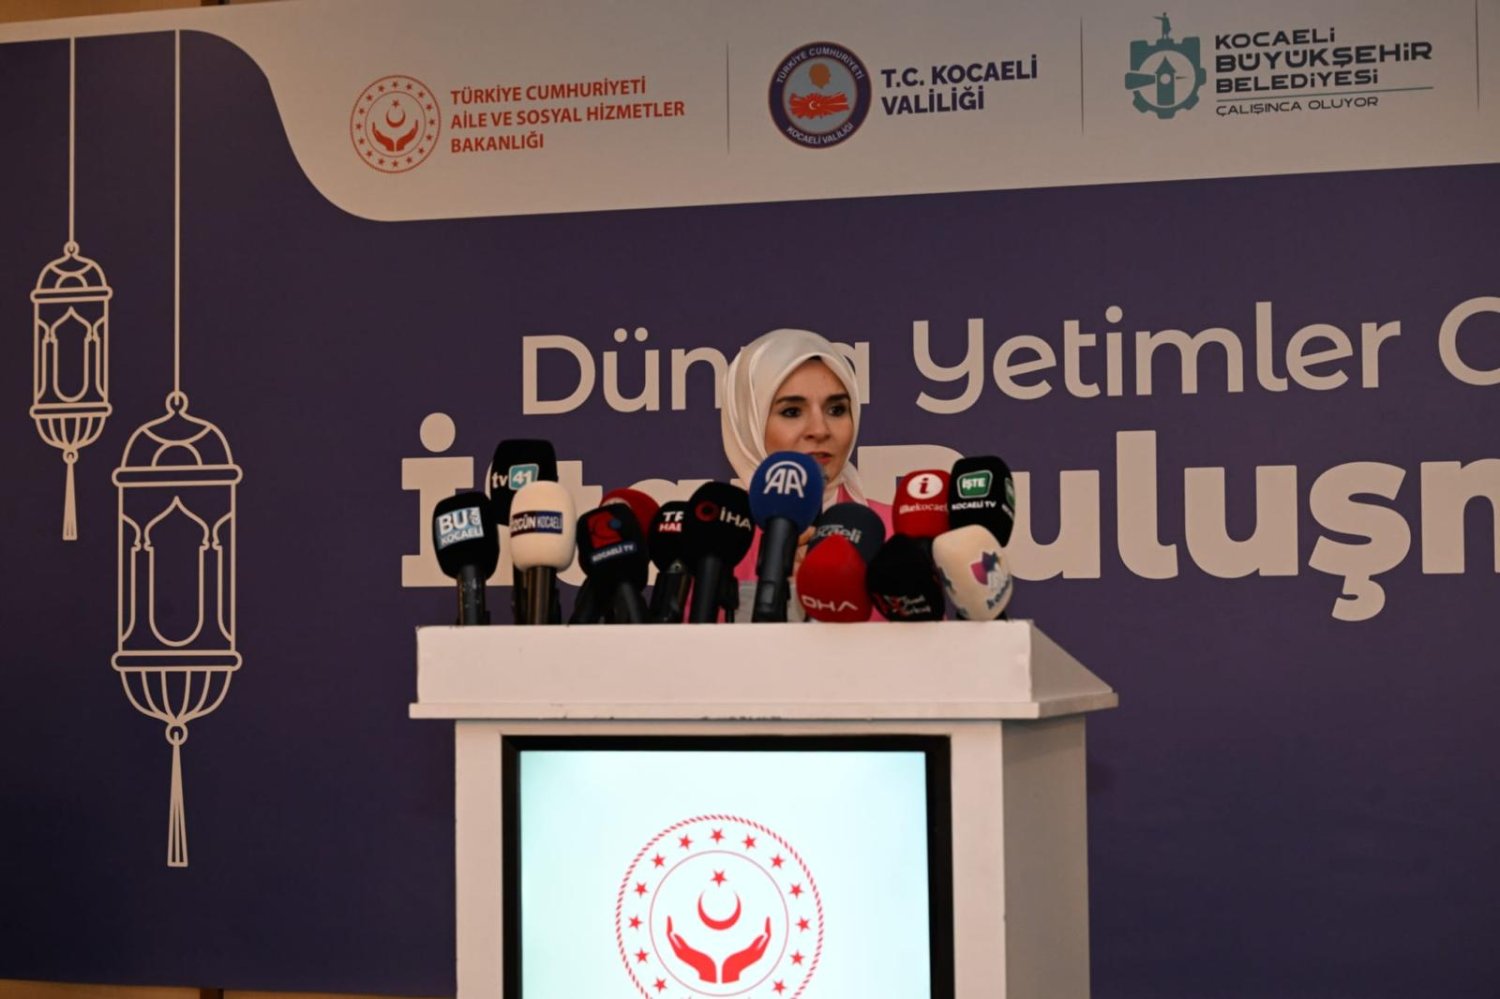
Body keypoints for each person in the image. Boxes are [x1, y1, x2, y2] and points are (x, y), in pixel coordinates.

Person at [720, 328, 893, 585]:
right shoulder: (716, 544)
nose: (820, 430)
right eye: (792, 412)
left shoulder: (892, 533)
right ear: (748, 424)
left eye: (836, 410)